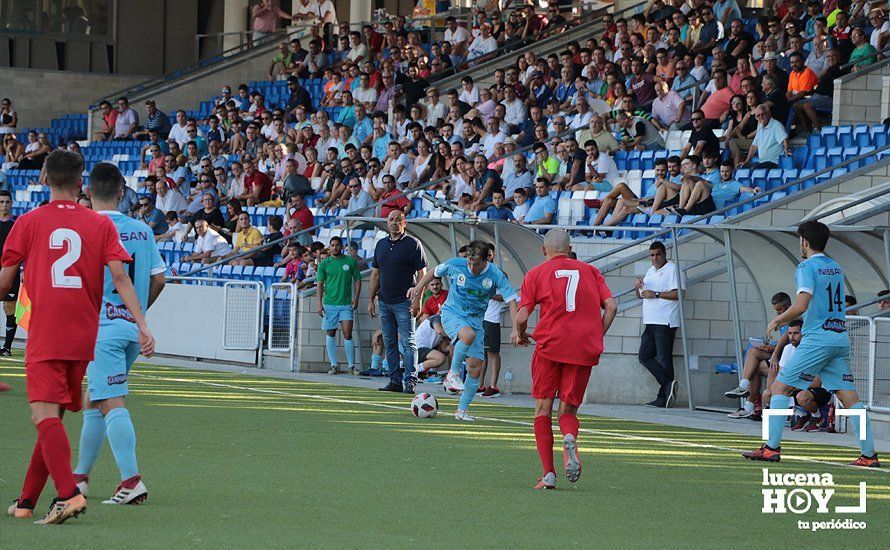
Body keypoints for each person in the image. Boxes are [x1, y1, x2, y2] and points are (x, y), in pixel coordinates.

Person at [1, 150, 155, 524]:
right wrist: (143, 325)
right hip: (84, 335)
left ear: (43, 177)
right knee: (52, 417)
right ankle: (26, 501)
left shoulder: (28, 221)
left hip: (47, 330)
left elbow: (5, 281)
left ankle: (69, 494)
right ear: (80, 182)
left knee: (43, 416)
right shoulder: (100, 225)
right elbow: (120, 278)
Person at [742, 221, 878, 467]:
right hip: (839, 337)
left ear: (804, 241)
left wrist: (777, 320)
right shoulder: (835, 267)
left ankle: (771, 448)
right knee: (850, 399)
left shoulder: (806, 266)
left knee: (780, 389)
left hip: (817, 339)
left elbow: (802, 304)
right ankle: (869, 455)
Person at [72, 163, 166, 506]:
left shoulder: (85, 228)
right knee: (94, 397)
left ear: (88, 191)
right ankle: (80, 477)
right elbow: (159, 279)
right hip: (129, 329)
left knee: (110, 399)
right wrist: (138, 315)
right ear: (122, 192)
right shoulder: (143, 229)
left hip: (100, 328)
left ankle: (131, 481)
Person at [512, 229, 617, 489]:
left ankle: (548, 474)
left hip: (549, 347)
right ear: (570, 249)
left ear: (544, 251)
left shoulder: (535, 274)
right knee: (568, 409)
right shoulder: (591, 271)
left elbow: (522, 317)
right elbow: (612, 306)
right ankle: (569, 435)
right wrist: (596, 335)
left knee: (542, 409)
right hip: (583, 348)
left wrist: (521, 335)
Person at [408, 240, 519, 421]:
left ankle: (461, 411)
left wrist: (515, 329)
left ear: (486, 261)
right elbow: (432, 272)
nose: (471, 267)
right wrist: (417, 290)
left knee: (475, 367)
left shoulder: (495, 274)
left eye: (476, 264)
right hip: (451, 314)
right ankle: (452, 374)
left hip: (476, 321)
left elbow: (512, 301)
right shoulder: (455, 265)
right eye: (469, 262)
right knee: (467, 335)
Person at [369, 210, 427, 394]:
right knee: (389, 342)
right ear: (387, 223)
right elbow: (375, 273)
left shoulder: (413, 244)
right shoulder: (381, 244)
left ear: (405, 223)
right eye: (391, 220)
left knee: (409, 342)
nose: (394, 223)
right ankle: (394, 381)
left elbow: (422, 274)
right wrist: (371, 299)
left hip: (404, 302)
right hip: (384, 301)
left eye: (398, 220)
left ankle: (410, 381)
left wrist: (417, 299)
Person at [724, 292, 792, 419]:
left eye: (780, 310)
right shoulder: (782, 321)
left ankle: (751, 400)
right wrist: (769, 347)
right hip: (778, 358)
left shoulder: (795, 320)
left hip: (786, 363)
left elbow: (789, 344)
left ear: (789, 306)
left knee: (754, 360)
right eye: (776, 310)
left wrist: (773, 350)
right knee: (753, 355)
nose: (777, 313)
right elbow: (782, 343)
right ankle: (748, 404)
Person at [635, 241, 684, 408]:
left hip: (665, 320)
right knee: (644, 356)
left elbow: (679, 294)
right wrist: (639, 287)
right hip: (650, 320)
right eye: (652, 255)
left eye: (658, 254)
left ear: (664, 254)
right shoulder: (650, 271)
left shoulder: (672, 269)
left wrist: (655, 293)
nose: (655, 258)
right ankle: (668, 385)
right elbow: (641, 296)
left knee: (664, 358)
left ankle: (663, 396)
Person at [316, 236, 362, 375]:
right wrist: (319, 303)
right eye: (332, 245)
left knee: (347, 333)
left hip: (346, 304)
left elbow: (358, 280)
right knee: (331, 332)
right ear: (329, 247)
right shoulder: (324, 264)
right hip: (329, 304)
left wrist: (356, 298)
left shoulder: (350, 262)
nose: (335, 247)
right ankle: (334, 365)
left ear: (342, 247)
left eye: (337, 245)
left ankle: (351, 366)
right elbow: (319, 284)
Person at [0, 190, 19, 358]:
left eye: (7, 202)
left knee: (9, 307)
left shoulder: (17, 224)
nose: (4, 205)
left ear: (12, 203)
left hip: (11, 270)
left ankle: (7, 347)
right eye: (1, 202)